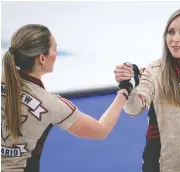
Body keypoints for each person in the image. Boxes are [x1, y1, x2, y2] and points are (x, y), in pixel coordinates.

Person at [1, 24, 140, 172]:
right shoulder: (52, 105)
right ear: (42, 58)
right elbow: (101, 130)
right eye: (54, 48)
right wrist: (126, 89)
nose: (56, 52)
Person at [114, 8, 180, 172]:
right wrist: (128, 85)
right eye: (171, 32)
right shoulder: (155, 72)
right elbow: (133, 109)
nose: (175, 39)